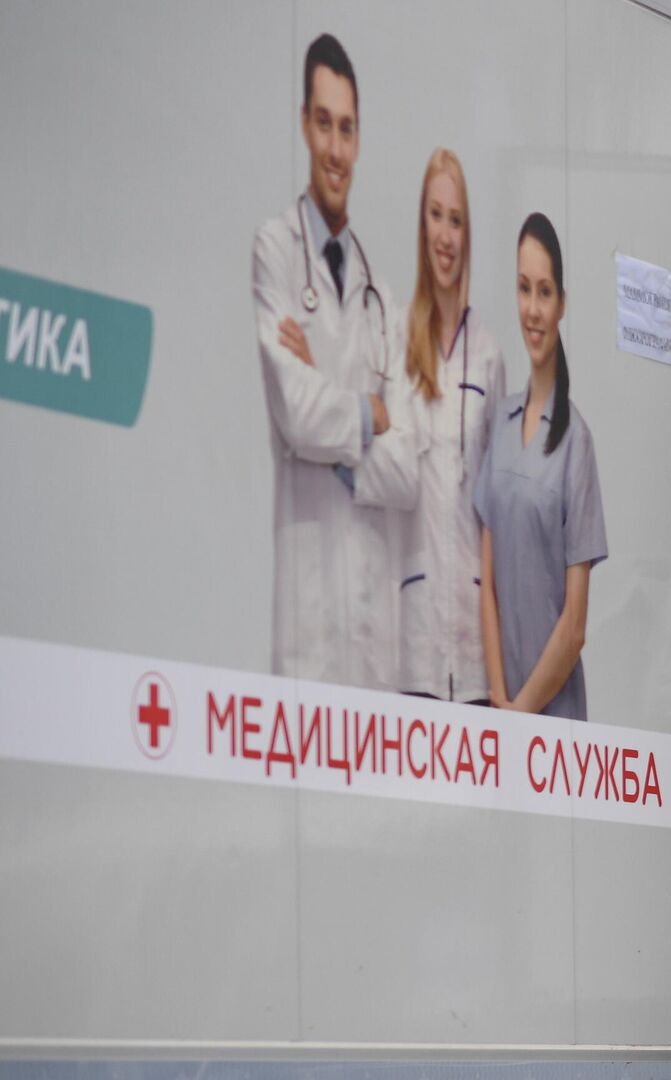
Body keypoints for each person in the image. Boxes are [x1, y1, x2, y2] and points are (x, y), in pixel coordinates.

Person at [253, 33, 418, 689]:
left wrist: (335, 414)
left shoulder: (383, 295)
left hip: (373, 627)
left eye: (346, 128)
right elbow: (295, 412)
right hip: (310, 619)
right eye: (323, 124)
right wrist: (372, 412)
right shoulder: (277, 249)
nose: (335, 147)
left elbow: (409, 469)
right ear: (304, 125)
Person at [474, 213, 605, 720]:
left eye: (544, 291)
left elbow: (574, 624)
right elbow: (487, 586)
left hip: (554, 716)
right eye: (524, 289)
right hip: (499, 706)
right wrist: (499, 700)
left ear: (562, 303)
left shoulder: (576, 442)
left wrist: (522, 710)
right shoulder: (500, 427)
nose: (531, 309)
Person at [396, 149, 506, 704]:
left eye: (456, 219)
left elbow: (497, 501)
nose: (445, 234)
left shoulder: (487, 356)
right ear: (421, 225)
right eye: (435, 216)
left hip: (472, 634)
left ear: (467, 234)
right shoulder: (394, 341)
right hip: (408, 634)